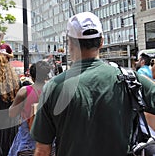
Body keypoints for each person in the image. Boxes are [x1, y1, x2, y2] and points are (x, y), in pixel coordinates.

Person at [30, 12, 155, 156]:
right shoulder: (131, 79)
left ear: (70, 43)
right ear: (101, 41)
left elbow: (42, 150)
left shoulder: (53, 87)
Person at [8, 61, 51, 155]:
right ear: (46, 75)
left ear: (31, 75)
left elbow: (12, 113)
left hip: (27, 141)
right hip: (48, 142)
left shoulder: (24, 92)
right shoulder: (52, 90)